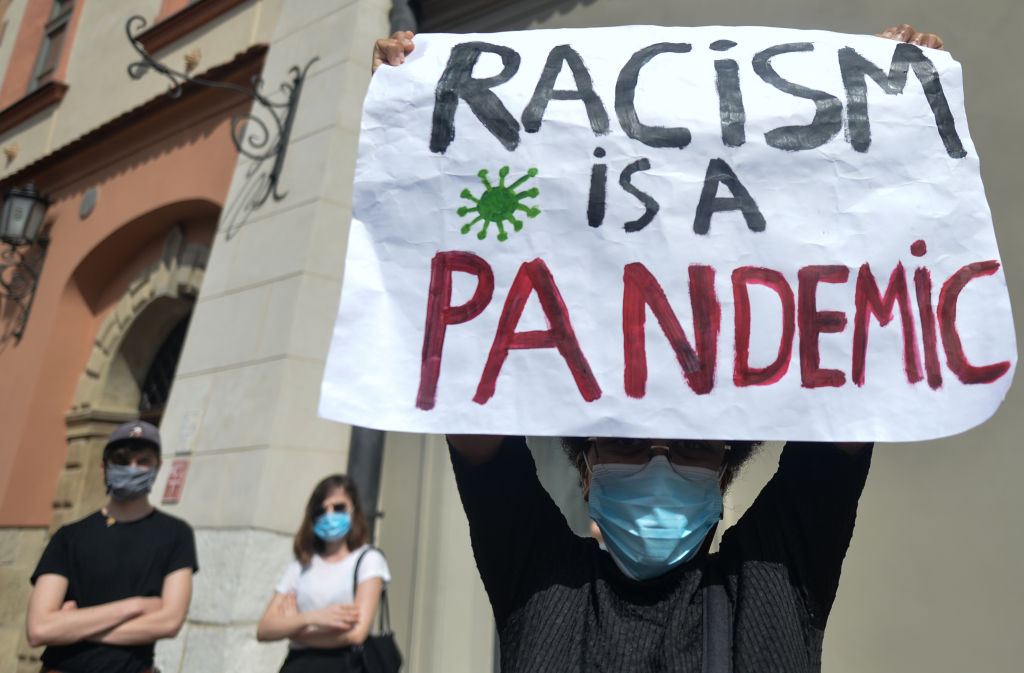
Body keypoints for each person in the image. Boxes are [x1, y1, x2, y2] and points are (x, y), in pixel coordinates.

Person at [372, 24, 944, 672]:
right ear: (584, 469)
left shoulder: (773, 584)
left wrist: (894, 121)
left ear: (724, 475)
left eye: (693, 447)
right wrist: (416, 114)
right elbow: (470, 406)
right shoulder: (542, 583)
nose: (658, 467)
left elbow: (846, 394)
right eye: (626, 443)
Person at [26, 420, 198, 673]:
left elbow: (169, 623)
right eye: (121, 461)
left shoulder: (175, 534)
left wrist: (71, 625)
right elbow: (39, 629)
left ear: (158, 466)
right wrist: (136, 606)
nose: (132, 468)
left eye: (143, 461)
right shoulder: (69, 536)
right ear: (103, 468)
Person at [257, 474, 390, 673]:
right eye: (321, 511)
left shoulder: (368, 559)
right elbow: (265, 628)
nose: (329, 515)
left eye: (338, 507)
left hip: (345, 664)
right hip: (298, 665)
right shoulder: (301, 565)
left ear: (354, 510)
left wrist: (295, 632)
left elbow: (356, 634)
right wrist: (312, 618)